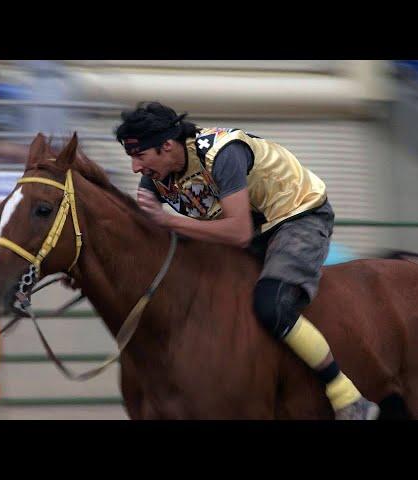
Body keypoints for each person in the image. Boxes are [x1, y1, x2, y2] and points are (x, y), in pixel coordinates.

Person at [114, 101, 380, 420]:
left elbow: (237, 232)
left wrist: (168, 221)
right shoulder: (156, 176)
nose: (135, 168)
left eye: (139, 156)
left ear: (166, 146)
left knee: (272, 305)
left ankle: (347, 396)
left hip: (296, 217)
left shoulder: (223, 155)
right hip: (253, 227)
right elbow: (143, 238)